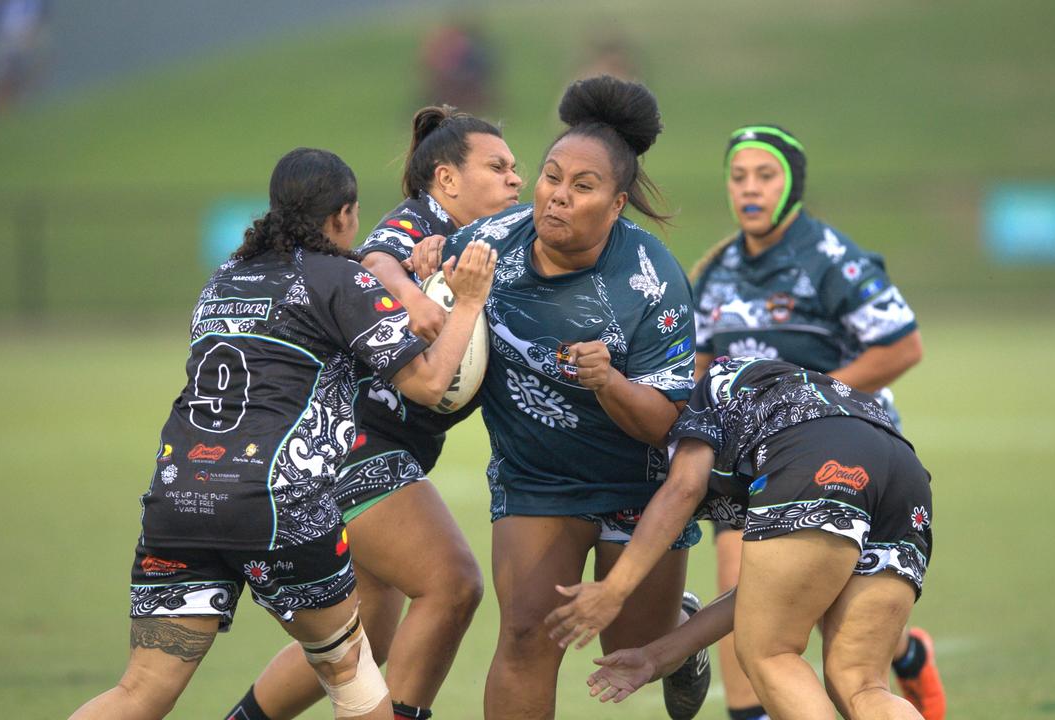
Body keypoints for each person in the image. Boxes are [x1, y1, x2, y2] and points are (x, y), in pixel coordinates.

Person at [71, 147, 497, 720]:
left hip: (178, 497)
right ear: (344, 215)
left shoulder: (225, 278)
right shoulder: (338, 278)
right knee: (354, 679)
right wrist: (467, 302)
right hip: (276, 505)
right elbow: (428, 384)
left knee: (139, 692)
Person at [416, 75, 710, 720]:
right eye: (551, 177)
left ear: (616, 204)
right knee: (526, 633)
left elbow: (664, 424)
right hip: (537, 479)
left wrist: (610, 383)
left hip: (638, 483)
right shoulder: (487, 244)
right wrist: (421, 274)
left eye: (583, 187)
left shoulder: (650, 279)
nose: (557, 197)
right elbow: (404, 274)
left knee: (631, 648)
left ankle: (680, 641)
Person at [226, 106, 522, 720]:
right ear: (447, 180)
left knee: (366, 640)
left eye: (516, 168)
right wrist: (414, 293)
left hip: (382, 449)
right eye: (498, 167)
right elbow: (377, 258)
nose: (516, 179)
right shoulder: (421, 219)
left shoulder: (495, 242)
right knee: (452, 583)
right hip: (357, 439)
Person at [687, 124, 942, 720]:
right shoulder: (717, 270)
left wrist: (815, 404)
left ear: (792, 184)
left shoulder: (828, 258)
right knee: (742, 581)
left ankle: (906, 655)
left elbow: (901, 345)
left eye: (765, 175)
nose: (749, 189)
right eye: (739, 176)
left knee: (840, 635)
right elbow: (699, 367)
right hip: (754, 464)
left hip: (838, 453)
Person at [548, 356, 934, 720]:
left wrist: (614, 589)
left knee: (769, 653)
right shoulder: (746, 428)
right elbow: (760, 593)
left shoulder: (691, 405)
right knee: (860, 683)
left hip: (816, 456)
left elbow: (682, 490)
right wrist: (656, 656)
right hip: (902, 471)